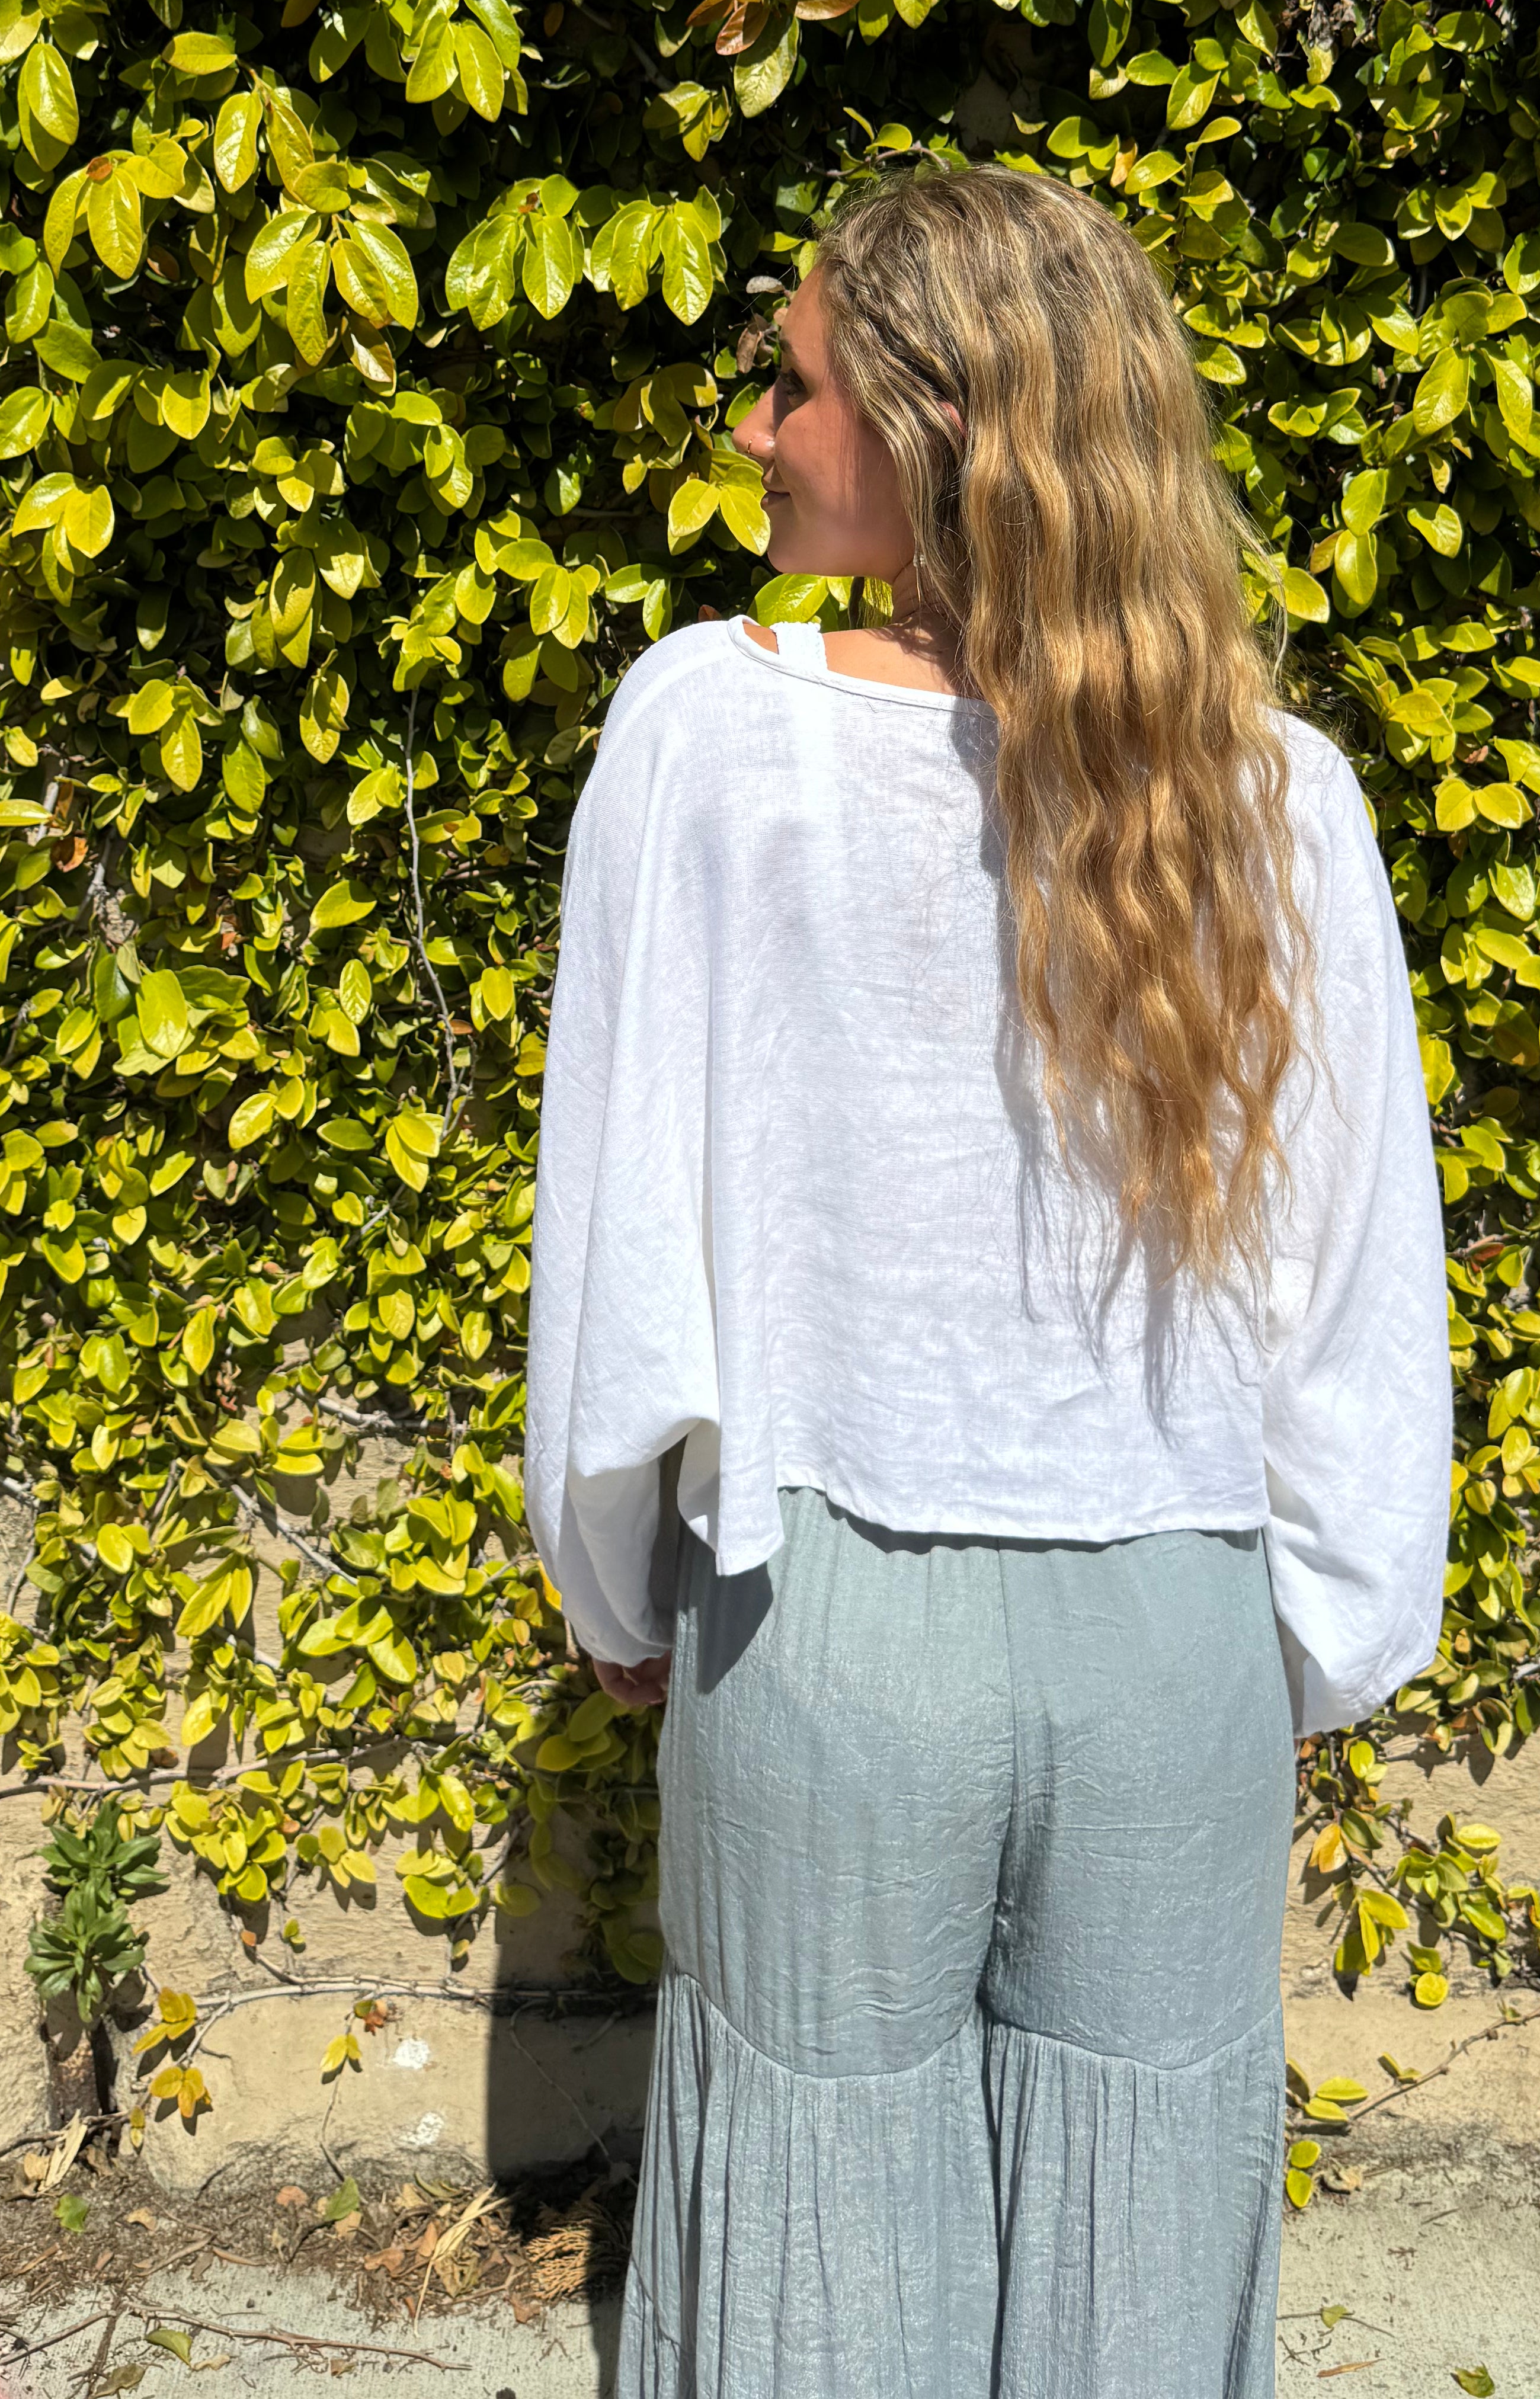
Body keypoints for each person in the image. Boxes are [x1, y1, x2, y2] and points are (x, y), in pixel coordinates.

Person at [526, 162, 1453, 2399]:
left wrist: (615, 1581)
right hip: (1171, 1649)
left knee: (812, 2275)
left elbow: (619, 1237)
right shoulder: (1267, 788)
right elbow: (1348, 1276)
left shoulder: (702, 735)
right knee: (1140, 2241)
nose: (753, 428)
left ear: (938, 434)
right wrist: (1324, 1645)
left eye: (797, 385)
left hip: (826, 1624)